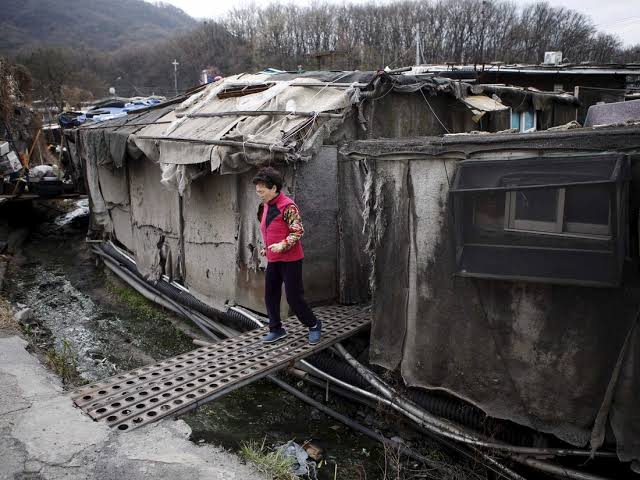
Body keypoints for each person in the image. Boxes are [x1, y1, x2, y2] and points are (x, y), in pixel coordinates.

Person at [253, 167, 322, 344]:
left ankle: (313, 324)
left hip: (291, 260)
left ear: (274, 188)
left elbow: (297, 231)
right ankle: (276, 329)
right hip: (274, 259)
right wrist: (267, 248)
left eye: (262, 188)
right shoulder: (266, 205)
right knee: (270, 295)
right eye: (257, 188)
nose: (258, 191)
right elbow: (271, 230)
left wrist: (283, 245)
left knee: (293, 297)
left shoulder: (288, 206)